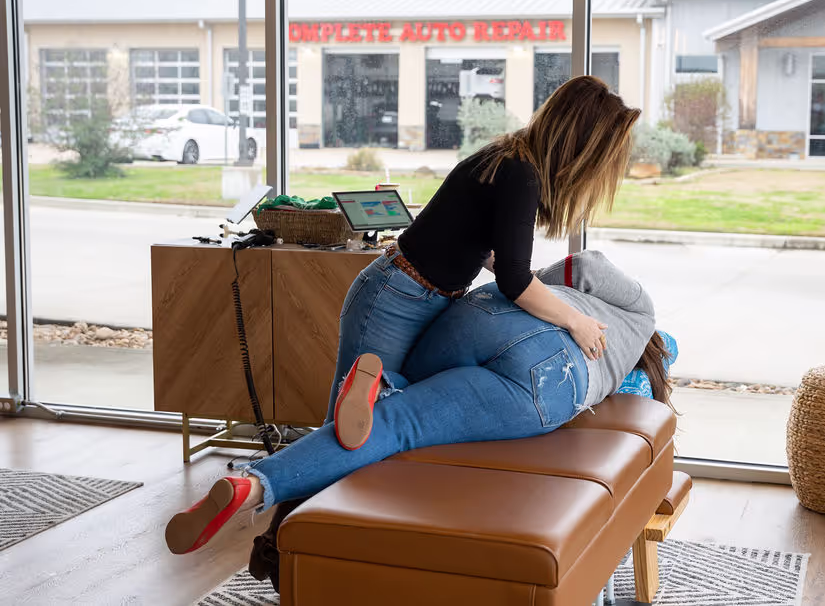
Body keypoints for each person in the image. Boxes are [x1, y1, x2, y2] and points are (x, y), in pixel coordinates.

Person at [164, 250, 672, 564]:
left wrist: (538, 281)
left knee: (402, 400)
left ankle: (382, 384)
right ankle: (253, 486)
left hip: (494, 316)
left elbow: (582, 266)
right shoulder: (625, 376)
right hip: (555, 382)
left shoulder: (642, 309)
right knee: (401, 426)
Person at [328, 75, 642, 450]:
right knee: (347, 432)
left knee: (377, 423)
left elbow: (484, 248)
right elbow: (513, 281)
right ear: (582, 144)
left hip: (421, 296)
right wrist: (578, 321)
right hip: (395, 301)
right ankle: (295, 508)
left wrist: (532, 282)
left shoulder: (510, 160)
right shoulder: (520, 174)